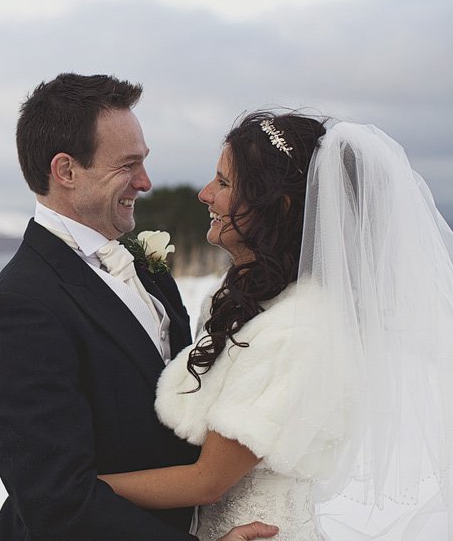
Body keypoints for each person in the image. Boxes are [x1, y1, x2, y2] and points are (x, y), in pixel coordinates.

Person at [99, 111, 453, 540]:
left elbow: (208, 481)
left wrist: (77, 491)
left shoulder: (300, 327)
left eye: (225, 183)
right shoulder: (241, 301)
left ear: (277, 206)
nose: (205, 194)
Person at [0, 73, 278, 541]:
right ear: (66, 171)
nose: (146, 182)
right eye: (127, 165)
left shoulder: (146, 268)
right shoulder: (18, 311)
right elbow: (57, 502)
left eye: (144, 162)